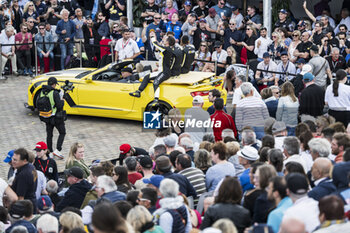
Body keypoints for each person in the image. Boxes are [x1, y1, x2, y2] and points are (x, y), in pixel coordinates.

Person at [130, 35, 182, 101]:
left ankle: (156, 99)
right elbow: (159, 57)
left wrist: (152, 37)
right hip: (161, 71)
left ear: (168, 42)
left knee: (156, 82)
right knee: (147, 76)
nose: (164, 40)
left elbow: (155, 44)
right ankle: (138, 92)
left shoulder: (167, 49)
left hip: (165, 72)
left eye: (165, 39)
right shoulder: (166, 49)